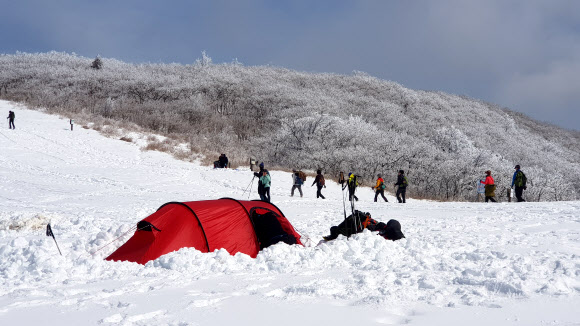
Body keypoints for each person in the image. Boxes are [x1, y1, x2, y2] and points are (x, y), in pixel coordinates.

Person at [323, 210, 405, 241]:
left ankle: (334, 233)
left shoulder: (383, 227)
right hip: (361, 225)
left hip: (359, 226)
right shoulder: (382, 227)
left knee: (336, 228)